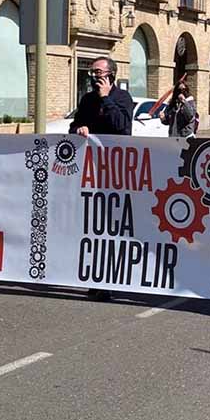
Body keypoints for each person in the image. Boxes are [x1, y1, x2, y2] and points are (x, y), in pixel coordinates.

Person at [69, 57, 134, 301]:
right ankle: (94, 278)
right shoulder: (86, 100)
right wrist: (79, 129)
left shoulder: (122, 99)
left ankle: (108, 279)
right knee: (90, 226)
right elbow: (74, 125)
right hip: (89, 171)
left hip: (115, 173)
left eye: (98, 72)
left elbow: (122, 128)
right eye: (91, 72)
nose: (93, 76)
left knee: (110, 227)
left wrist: (107, 98)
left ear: (111, 74)